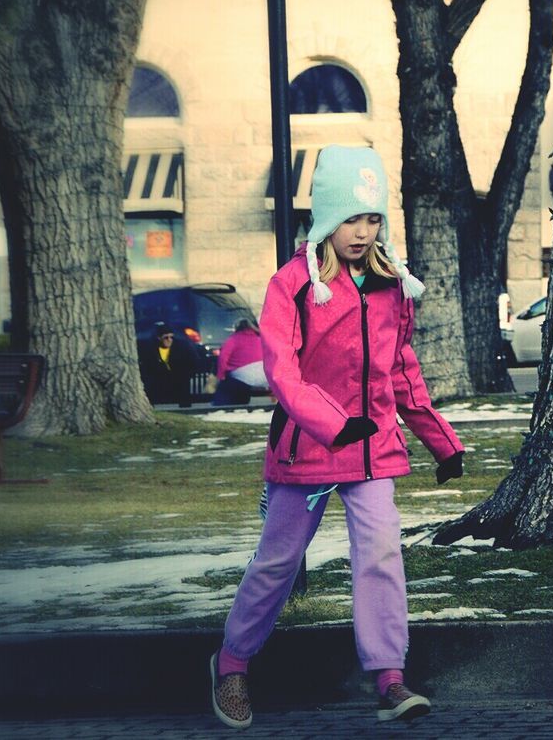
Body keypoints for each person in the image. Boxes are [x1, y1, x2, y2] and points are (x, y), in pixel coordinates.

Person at [210, 145, 465, 729]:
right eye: (352, 218)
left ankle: (389, 679)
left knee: (380, 555)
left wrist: (439, 438)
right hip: (308, 451)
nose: (363, 230)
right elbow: (283, 371)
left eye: (373, 218)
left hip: (374, 451)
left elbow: (401, 367)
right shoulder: (292, 284)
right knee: (278, 561)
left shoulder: (390, 285)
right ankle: (231, 665)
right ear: (327, 217)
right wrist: (331, 423)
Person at [138, 321, 195, 407]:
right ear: (159, 338)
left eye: (171, 337)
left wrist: (186, 374)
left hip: (178, 380)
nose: (169, 340)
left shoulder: (181, 347)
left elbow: (193, 360)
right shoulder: (150, 348)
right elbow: (146, 365)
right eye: (166, 338)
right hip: (159, 381)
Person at [212, 319, 266, 406]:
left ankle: (219, 406)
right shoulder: (259, 340)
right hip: (262, 374)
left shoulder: (233, 339)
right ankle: (243, 403)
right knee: (241, 383)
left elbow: (223, 358)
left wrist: (221, 375)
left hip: (241, 374)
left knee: (228, 384)